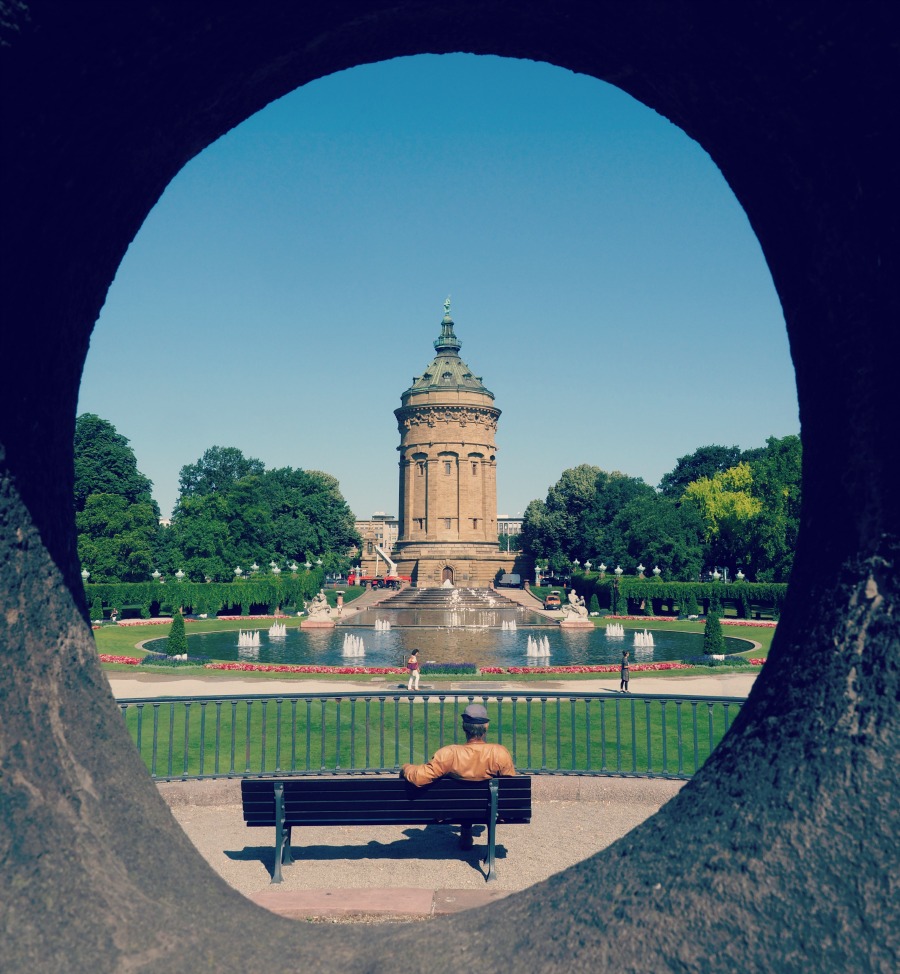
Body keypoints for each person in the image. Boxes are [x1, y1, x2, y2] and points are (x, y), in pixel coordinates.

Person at [401, 703, 515, 787]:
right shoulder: (499, 753)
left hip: (453, 814)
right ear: (486, 727)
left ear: (464, 727)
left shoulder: (449, 754)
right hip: (488, 816)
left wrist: (406, 768)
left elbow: (418, 778)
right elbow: (510, 788)